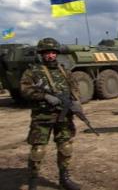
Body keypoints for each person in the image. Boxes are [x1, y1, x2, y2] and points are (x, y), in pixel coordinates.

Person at [20, 38, 82, 190]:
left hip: (64, 117)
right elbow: (25, 90)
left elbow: (75, 88)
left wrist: (76, 102)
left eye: (53, 52)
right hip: (42, 117)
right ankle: (33, 182)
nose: (50, 55)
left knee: (66, 147)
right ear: (41, 54)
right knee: (38, 150)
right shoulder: (32, 71)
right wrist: (44, 96)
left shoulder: (64, 70)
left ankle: (64, 178)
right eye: (47, 53)